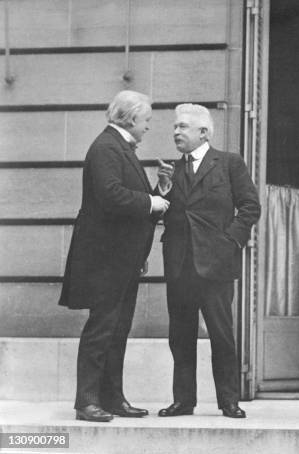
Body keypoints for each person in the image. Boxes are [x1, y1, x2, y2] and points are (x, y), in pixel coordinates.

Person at [59, 90, 170, 422]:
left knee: (117, 329)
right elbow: (111, 196)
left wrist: (159, 190)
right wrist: (152, 203)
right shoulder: (107, 147)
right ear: (132, 118)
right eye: (147, 120)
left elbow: (124, 200)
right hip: (107, 260)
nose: (148, 127)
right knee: (103, 328)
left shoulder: (115, 147)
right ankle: (87, 402)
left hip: (120, 258)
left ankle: (110, 398)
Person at [156, 104, 260, 419]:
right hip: (179, 265)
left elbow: (250, 206)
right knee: (180, 337)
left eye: (183, 127)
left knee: (221, 334)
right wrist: (162, 189)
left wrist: (230, 242)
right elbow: (161, 210)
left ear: (203, 132)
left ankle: (229, 401)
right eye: (175, 127)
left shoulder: (229, 163)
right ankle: (183, 401)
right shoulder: (171, 169)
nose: (176, 132)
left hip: (215, 265)